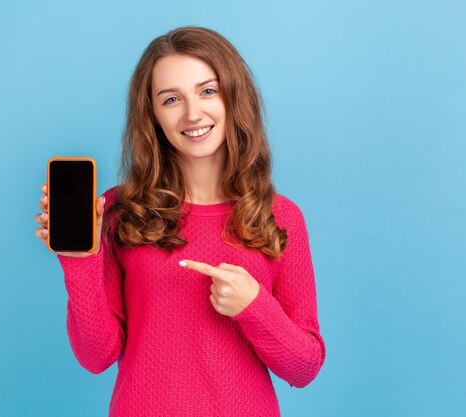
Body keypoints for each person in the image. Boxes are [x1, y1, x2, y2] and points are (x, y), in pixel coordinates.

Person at [35, 26, 326, 417]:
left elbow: (304, 367)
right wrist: (78, 259)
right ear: (152, 114)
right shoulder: (121, 211)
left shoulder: (280, 216)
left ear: (233, 96)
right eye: (171, 99)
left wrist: (254, 305)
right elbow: (96, 356)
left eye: (208, 91)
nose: (193, 113)